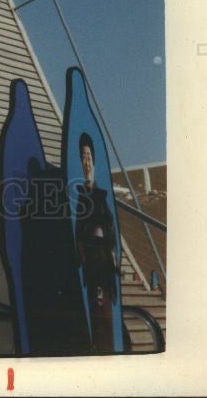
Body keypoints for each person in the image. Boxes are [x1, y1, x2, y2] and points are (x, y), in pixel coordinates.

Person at [75, 132, 119, 354]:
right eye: (84, 156)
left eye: (90, 156)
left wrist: (110, 252)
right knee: (96, 304)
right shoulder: (81, 195)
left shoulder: (100, 196)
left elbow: (109, 225)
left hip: (103, 256)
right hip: (92, 256)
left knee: (105, 307)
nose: (88, 161)